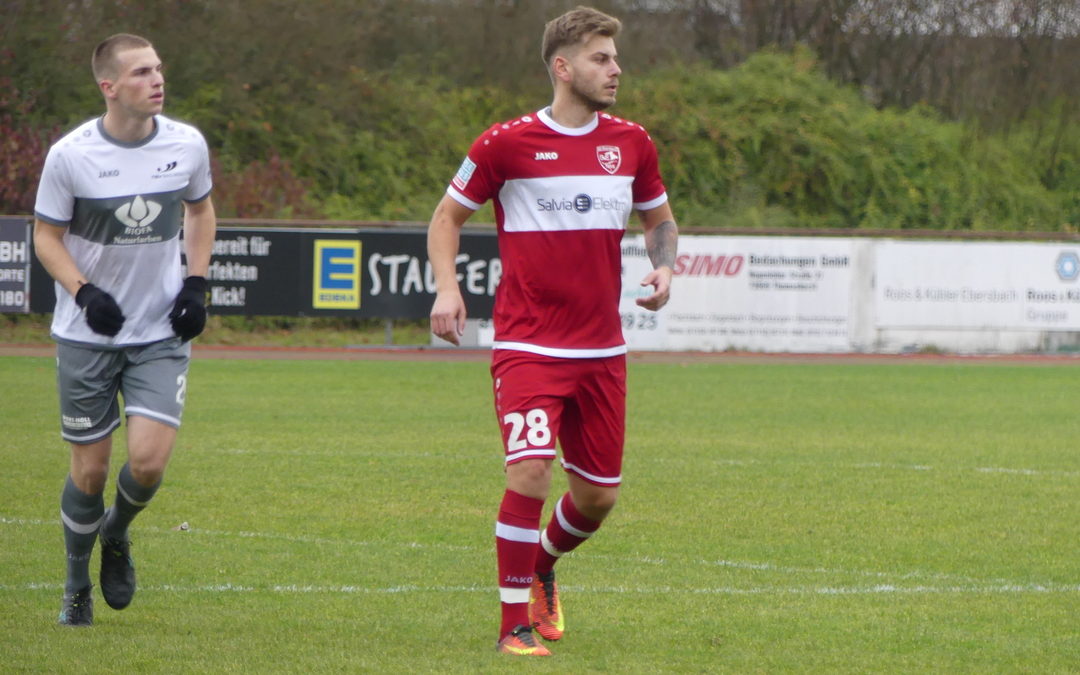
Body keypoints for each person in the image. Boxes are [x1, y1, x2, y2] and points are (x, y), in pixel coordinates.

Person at [428, 5, 678, 657]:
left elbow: (659, 219)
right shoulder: (505, 142)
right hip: (528, 344)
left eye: (615, 57)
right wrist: (448, 288)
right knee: (531, 473)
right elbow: (447, 217)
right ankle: (514, 624)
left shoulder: (632, 142)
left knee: (597, 498)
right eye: (601, 58)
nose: (616, 68)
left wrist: (665, 268)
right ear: (563, 68)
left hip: (602, 349)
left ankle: (541, 566)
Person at [33, 33, 216, 626]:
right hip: (88, 337)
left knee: (148, 464)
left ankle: (117, 532)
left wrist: (196, 283)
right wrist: (83, 292)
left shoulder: (186, 145)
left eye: (159, 68)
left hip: (159, 333)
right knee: (88, 471)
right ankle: (75, 584)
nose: (157, 80)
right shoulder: (71, 155)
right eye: (141, 72)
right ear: (109, 87)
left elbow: (200, 210)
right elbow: (45, 236)